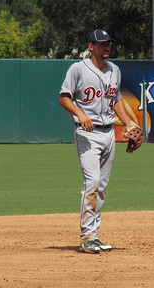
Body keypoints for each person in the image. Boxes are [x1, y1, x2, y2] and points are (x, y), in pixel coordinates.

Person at [59, 29, 131, 253]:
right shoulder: (78, 69)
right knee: (91, 184)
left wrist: (129, 123)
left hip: (109, 133)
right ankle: (86, 237)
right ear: (91, 46)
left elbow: (116, 99)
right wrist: (80, 114)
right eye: (101, 44)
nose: (106, 47)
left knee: (100, 188)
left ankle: (94, 235)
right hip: (86, 133)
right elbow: (64, 97)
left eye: (108, 43)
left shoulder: (115, 70)